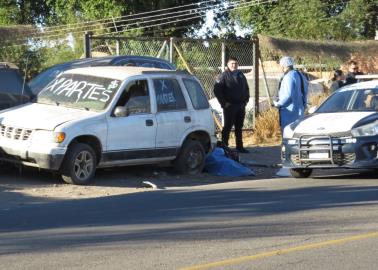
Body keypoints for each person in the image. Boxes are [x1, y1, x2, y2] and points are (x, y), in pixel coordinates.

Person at [214, 57, 250, 153]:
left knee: (239, 126)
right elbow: (217, 90)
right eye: (232, 63)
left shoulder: (241, 75)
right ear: (228, 65)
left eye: (236, 63)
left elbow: (246, 88)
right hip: (230, 106)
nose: (234, 65)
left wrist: (246, 100)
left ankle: (240, 146)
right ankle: (224, 147)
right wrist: (224, 103)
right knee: (228, 126)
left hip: (241, 106)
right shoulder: (223, 76)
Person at [273, 56, 308, 133]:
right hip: (300, 109)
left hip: (289, 112)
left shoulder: (288, 77)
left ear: (284, 66)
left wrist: (277, 103)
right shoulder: (300, 75)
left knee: (288, 134)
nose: (280, 68)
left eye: (281, 66)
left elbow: (288, 95)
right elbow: (305, 91)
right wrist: (305, 104)